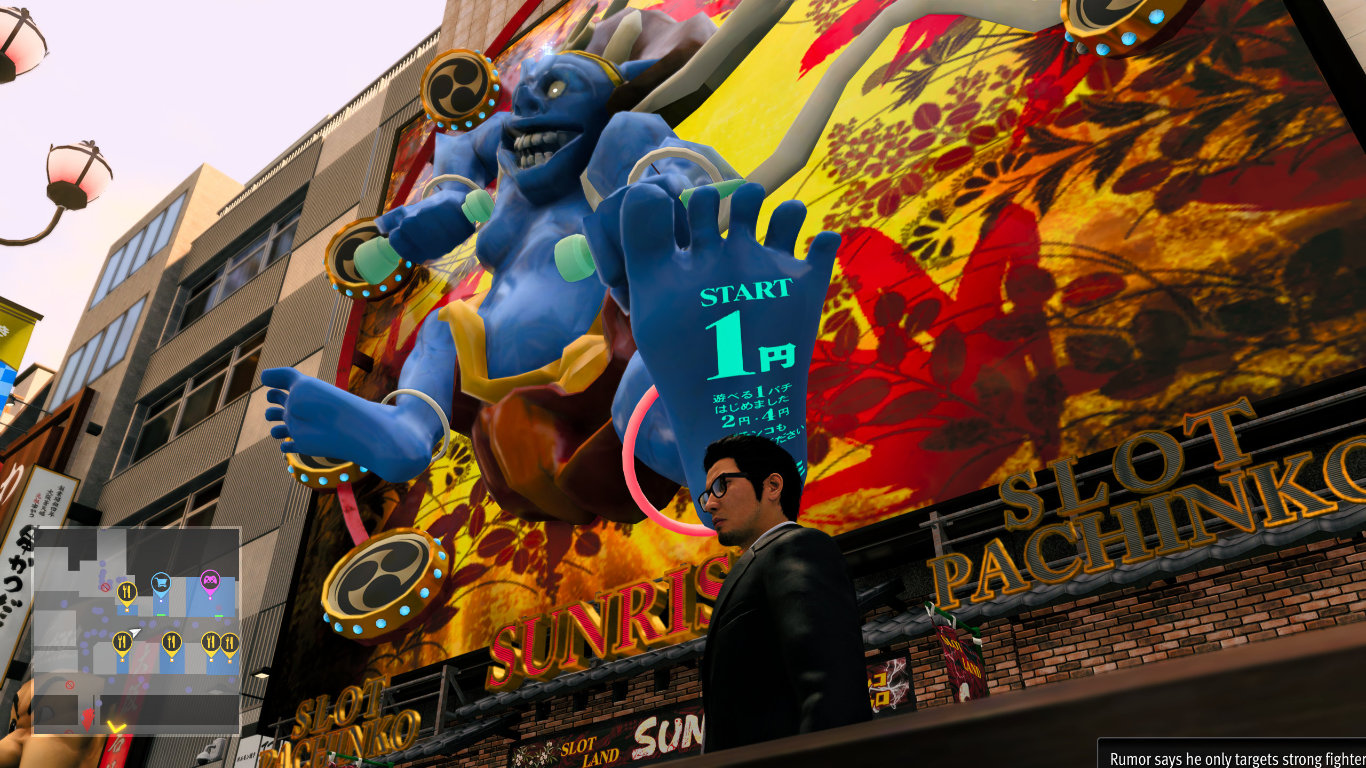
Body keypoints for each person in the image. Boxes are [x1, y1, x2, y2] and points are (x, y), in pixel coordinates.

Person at [698, 434, 872, 752]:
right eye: (707, 494)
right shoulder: (757, 564)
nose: (709, 504)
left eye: (722, 485)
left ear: (773, 486)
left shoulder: (797, 547)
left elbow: (832, 690)